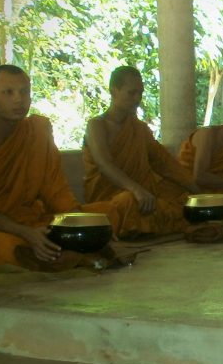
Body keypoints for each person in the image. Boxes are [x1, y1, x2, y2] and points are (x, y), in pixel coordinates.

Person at [0, 65, 120, 269]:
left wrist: (86, 227)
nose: (18, 99)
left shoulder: (37, 132)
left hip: (28, 220)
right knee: (8, 246)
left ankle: (70, 253)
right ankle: (72, 256)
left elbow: (56, 192)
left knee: (105, 215)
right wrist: (26, 234)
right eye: (8, 92)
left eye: (24, 92)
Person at [83, 66, 199, 238]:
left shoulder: (139, 128)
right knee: (127, 201)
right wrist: (136, 190)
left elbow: (163, 162)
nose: (137, 99)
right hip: (110, 197)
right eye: (131, 93)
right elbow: (104, 164)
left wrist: (195, 188)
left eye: (140, 93)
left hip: (141, 193)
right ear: (114, 91)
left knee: (183, 197)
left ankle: (143, 225)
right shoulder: (97, 125)